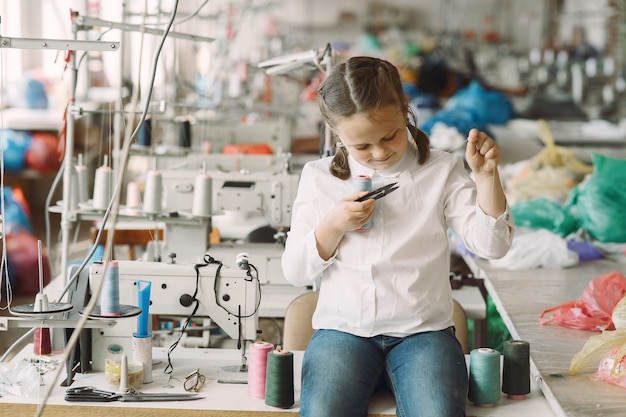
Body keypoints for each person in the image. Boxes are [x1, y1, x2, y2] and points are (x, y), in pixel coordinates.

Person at [281, 56, 514, 417]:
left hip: (423, 333)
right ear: (335, 131)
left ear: (406, 110)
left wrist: (486, 179)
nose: (379, 153)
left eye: (389, 135)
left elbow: (493, 246)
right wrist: (333, 225)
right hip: (344, 331)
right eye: (361, 146)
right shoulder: (320, 177)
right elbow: (295, 272)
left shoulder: (441, 169)